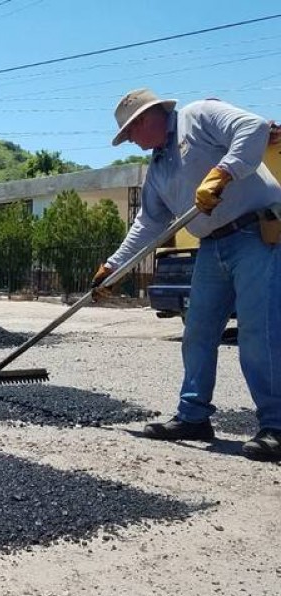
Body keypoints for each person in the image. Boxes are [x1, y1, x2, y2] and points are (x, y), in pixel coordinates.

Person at [92, 88, 281, 461]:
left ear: (147, 118)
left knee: (259, 332)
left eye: (130, 132)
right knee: (197, 331)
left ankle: (276, 425)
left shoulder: (199, 116)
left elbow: (253, 127)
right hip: (211, 245)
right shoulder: (159, 165)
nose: (131, 141)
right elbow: (148, 223)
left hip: (255, 235)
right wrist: (113, 267)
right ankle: (193, 416)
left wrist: (223, 173)